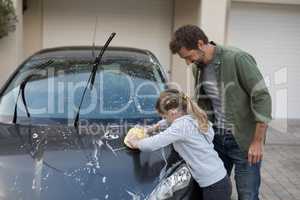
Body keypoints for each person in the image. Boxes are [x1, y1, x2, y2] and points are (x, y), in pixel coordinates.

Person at [169, 25, 272, 200]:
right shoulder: (198, 68)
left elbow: (261, 97)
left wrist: (257, 141)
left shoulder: (237, 58)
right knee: (215, 191)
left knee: (247, 194)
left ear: (201, 44)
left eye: (188, 57)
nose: (188, 62)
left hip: (243, 142)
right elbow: (207, 105)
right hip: (216, 140)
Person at [126, 89, 231, 200]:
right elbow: (169, 122)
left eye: (164, 116)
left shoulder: (181, 127)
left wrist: (136, 143)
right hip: (219, 179)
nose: (164, 119)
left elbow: (155, 142)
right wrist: (154, 127)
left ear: (173, 113)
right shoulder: (191, 118)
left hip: (214, 186)